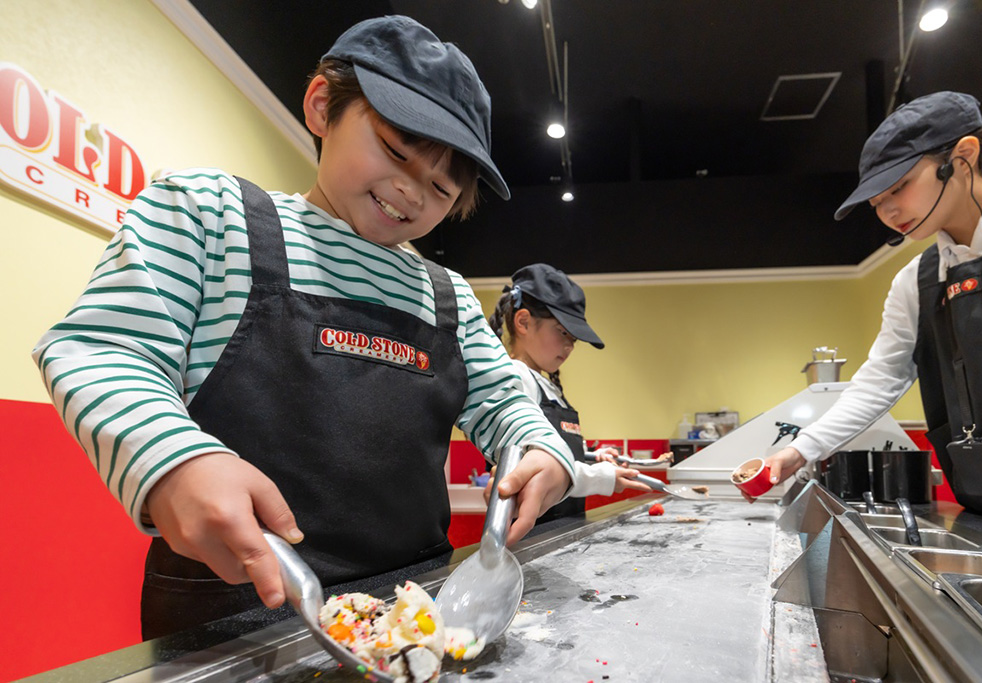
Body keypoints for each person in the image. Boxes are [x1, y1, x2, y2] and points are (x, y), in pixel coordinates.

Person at [31, 16, 580, 638]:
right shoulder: (209, 216)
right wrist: (175, 462)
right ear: (322, 106)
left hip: (416, 612)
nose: (409, 190)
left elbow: (506, 402)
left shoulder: (446, 295)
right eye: (396, 152)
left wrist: (542, 450)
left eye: (440, 188)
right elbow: (102, 348)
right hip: (232, 618)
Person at [759, 91, 982, 520]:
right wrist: (800, 450)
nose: (888, 211)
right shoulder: (915, 282)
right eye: (876, 202)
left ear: (964, 156)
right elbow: (880, 380)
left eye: (898, 187)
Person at [489, 264, 652, 520]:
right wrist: (602, 477)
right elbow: (533, 466)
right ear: (523, 322)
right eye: (563, 332)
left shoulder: (548, 386)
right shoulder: (515, 376)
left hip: (559, 530)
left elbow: (556, 449)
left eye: (573, 339)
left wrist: (590, 455)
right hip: (532, 534)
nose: (569, 346)